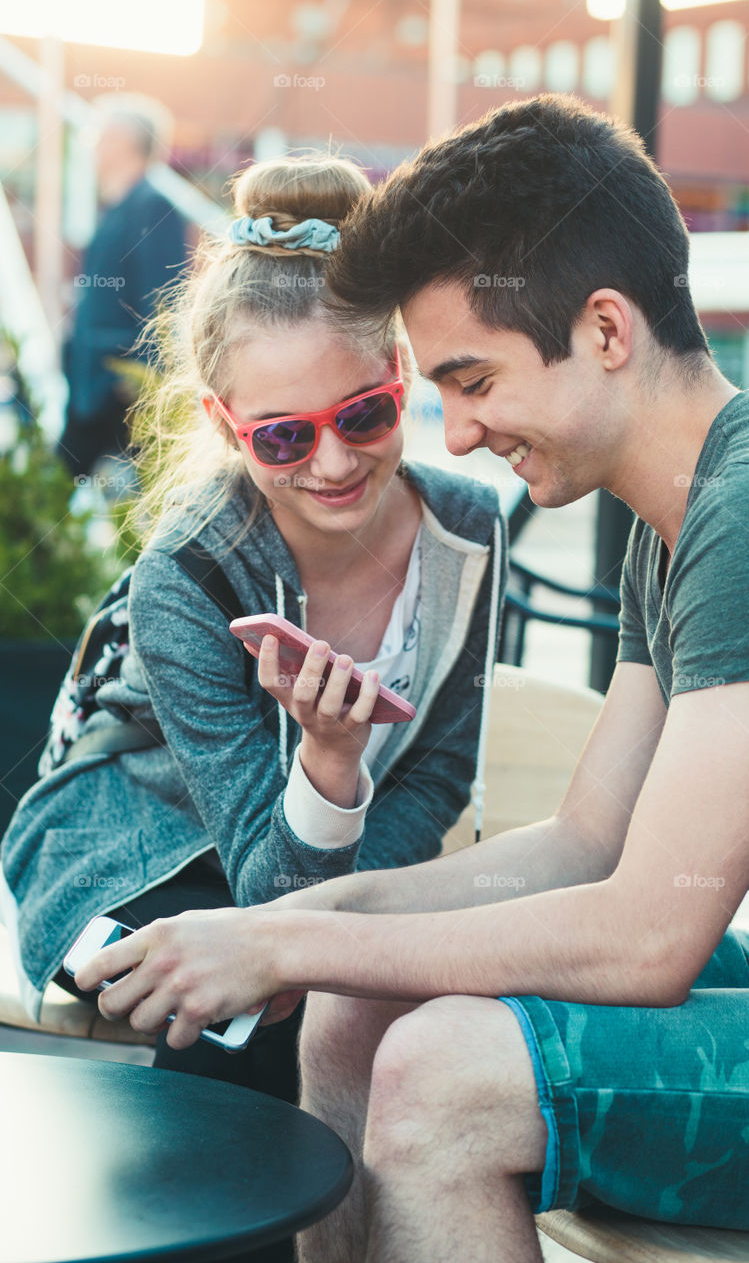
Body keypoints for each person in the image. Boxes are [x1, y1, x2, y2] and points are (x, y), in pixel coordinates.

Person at [76, 95, 749, 1258]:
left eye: (472, 380)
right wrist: (300, 921)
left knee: (448, 1075)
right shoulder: (676, 520)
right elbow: (584, 840)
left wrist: (285, 945)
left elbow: (648, 934)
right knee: (356, 1009)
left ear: (603, 330)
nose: (458, 433)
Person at [1, 153, 505, 1106]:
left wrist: (347, 920)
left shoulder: (469, 532)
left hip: (325, 866)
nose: (331, 462)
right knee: (233, 1003)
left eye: (363, 413)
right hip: (132, 847)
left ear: (401, 375)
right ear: (226, 426)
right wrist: (329, 765)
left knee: (342, 991)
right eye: (283, 435)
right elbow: (264, 890)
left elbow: (440, 768)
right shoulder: (187, 572)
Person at [58, 93, 188, 477]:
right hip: (91, 387)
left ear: (122, 141)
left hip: (117, 395)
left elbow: (163, 300)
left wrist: (137, 381)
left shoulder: (153, 205)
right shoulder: (119, 206)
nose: (93, 147)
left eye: (100, 135)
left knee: (115, 505)